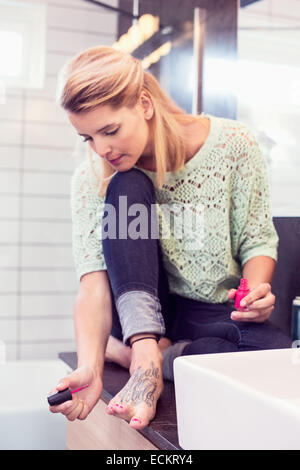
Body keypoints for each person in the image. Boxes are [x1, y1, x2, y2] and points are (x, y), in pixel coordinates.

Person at [49, 45, 291, 430]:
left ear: (144, 104)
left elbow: (257, 239)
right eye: (87, 138)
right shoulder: (92, 178)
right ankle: (143, 351)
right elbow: (93, 284)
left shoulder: (234, 145)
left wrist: (255, 289)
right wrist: (89, 366)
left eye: (109, 131)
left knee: (275, 352)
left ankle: (149, 355)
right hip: (135, 313)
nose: (101, 150)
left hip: (203, 312)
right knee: (127, 186)